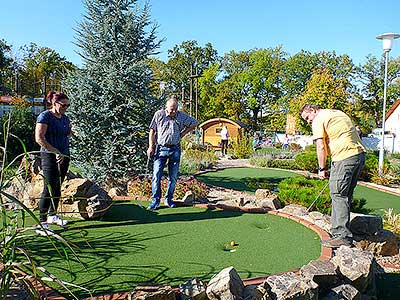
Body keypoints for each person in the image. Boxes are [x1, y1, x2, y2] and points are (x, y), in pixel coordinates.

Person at [300, 104, 366, 248]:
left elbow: (321, 146)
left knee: (338, 195)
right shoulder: (336, 113)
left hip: (345, 157)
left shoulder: (318, 119)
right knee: (346, 195)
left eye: (307, 117)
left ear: (312, 110)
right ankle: (343, 231)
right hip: (358, 156)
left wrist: (322, 168)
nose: (308, 121)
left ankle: (341, 236)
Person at [147, 96, 198, 210]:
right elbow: (152, 131)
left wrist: (183, 133)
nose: (174, 111)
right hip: (161, 149)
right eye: (171, 109)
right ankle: (155, 201)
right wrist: (151, 146)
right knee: (156, 175)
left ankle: (168, 199)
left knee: (173, 177)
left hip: (175, 149)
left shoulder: (180, 115)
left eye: (176, 109)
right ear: (166, 107)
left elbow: (194, 123)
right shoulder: (159, 115)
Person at [35, 91, 71, 231]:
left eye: (68, 105)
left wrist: (75, 133)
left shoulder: (65, 118)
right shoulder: (45, 116)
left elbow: (67, 133)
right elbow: (39, 138)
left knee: (57, 186)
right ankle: (42, 223)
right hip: (49, 156)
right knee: (48, 187)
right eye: (63, 105)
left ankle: (52, 215)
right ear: (54, 103)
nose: (66, 108)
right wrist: (55, 151)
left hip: (64, 155)